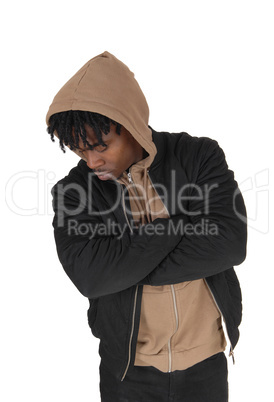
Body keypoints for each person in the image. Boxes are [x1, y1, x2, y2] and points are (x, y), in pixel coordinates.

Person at [46, 51, 247, 402]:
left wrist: (127, 265)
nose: (92, 161)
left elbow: (230, 243)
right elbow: (92, 277)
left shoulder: (198, 157)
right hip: (127, 373)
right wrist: (179, 225)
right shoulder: (73, 192)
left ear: (133, 124)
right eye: (80, 150)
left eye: (100, 146)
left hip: (207, 365)